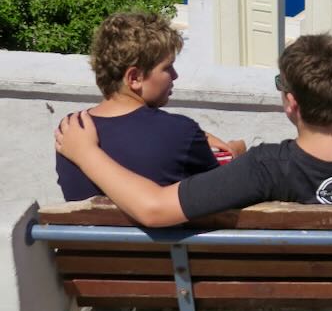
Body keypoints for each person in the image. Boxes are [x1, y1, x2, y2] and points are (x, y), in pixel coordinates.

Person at [55, 34, 332, 226]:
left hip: (289, 301)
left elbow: (152, 209)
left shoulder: (263, 167)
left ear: (290, 103)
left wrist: (86, 152)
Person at [56, 12, 245, 201]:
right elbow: (221, 190)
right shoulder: (181, 132)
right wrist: (235, 153)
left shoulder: (71, 131)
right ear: (134, 78)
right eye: (167, 68)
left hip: (82, 230)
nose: (175, 75)